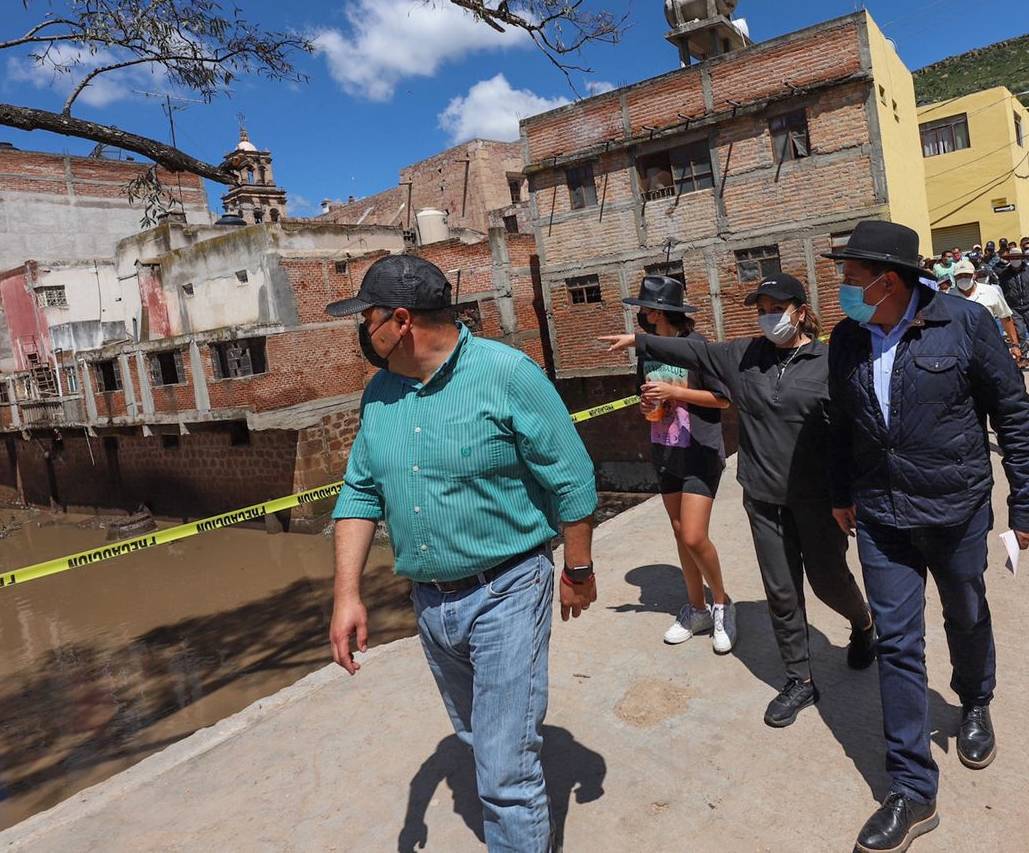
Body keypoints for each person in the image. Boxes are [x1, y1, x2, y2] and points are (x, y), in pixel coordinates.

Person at [325, 255, 599, 853]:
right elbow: (360, 491)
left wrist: (578, 568)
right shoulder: (379, 394)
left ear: (400, 321)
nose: (359, 333)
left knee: (503, 771)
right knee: (479, 741)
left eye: (364, 318)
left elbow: (573, 479)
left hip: (507, 588)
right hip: (430, 603)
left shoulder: (507, 374)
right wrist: (347, 594)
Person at [823, 220, 1029, 853]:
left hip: (955, 507)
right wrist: (842, 494)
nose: (842, 288)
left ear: (886, 281)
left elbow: (1014, 416)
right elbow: (842, 426)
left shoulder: (965, 324)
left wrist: (1026, 502)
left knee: (966, 611)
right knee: (898, 644)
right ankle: (913, 790)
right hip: (881, 516)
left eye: (851, 278)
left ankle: (975, 701)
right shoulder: (846, 339)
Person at [598, 273, 875, 729]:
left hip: (817, 498)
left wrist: (850, 492)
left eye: (776, 307)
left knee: (829, 582)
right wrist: (638, 339)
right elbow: (694, 350)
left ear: (801, 311)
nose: (768, 317)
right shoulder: (744, 355)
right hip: (763, 497)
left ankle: (863, 624)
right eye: (761, 308)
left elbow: (852, 432)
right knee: (781, 592)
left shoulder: (829, 361)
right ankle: (799, 679)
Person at [621, 275, 737, 652]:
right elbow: (647, 398)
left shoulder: (697, 345)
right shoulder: (647, 351)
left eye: (642, 308)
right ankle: (697, 608)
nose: (639, 314)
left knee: (693, 535)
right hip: (665, 450)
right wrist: (649, 406)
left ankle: (722, 602)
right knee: (678, 532)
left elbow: (722, 399)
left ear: (657, 311)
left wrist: (676, 391)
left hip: (700, 451)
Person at [950, 259, 1023, 361]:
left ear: (974, 274)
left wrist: (1015, 343)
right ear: (954, 277)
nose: (963, 278)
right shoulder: (949, 297)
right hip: (962, 348)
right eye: (960, 275)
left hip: (989, 344)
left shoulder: (990, 291)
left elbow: (1005, 318)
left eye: (967, 275)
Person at [996, 245, 1029, 368]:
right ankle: (1023, 357)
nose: (1015, 259)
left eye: (1018, 257)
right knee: (1020, 333)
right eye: (1013, 257)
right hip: (1014, 308)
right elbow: (1001, 290)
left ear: (1022, 258)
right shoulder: (1004, 274)